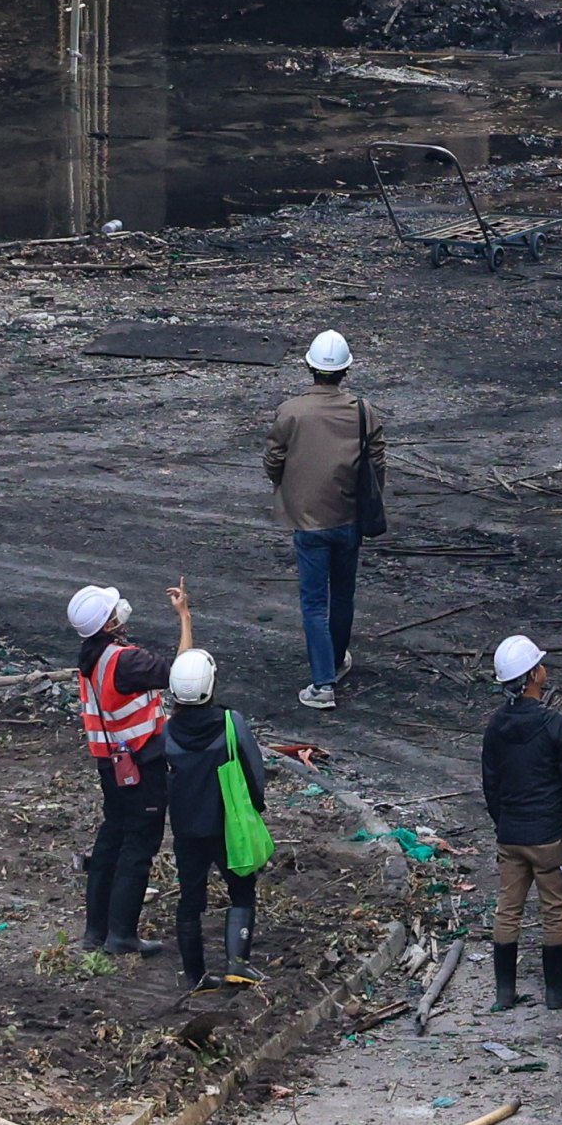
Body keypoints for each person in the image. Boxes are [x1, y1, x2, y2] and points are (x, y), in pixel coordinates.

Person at [264, 329, 386, 711]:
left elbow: (273, 459)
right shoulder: (364, 411)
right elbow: (377, 461)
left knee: (314, 603)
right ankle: (334, 661)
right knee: (343, 595)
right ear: (345, 371)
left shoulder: (291, 411)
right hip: (349, 519)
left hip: (308, 521)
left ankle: (323, 684)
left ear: (309, 367)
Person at [72, 582, 190, 959]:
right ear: (107, 624)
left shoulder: (90, 657)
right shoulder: (125, 661)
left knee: (111, 839)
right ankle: (122, 935)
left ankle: (96, 931)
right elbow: (183, 673)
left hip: (110, 765)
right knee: (138, 848)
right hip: (142, 764)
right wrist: (185, 617)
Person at [481, 633, 562, 1011]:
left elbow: (490, 785)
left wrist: (504, 823)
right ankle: (556, 992)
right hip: (548, 837)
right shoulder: (557, 725)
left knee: (508, 908)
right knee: (555, 909)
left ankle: (504, 993)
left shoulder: (495, 726)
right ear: (532, 677)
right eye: (539, 666)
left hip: (511, 835)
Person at [158, 645, 275, 990]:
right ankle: (237, 963)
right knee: (241, 887)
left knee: (190, 899)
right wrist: (256, 807)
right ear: (211, 685)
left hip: (186, 828)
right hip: (228, 825)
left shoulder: (166, 731)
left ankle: (196, 976)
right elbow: (255, 771)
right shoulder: (230, 722)